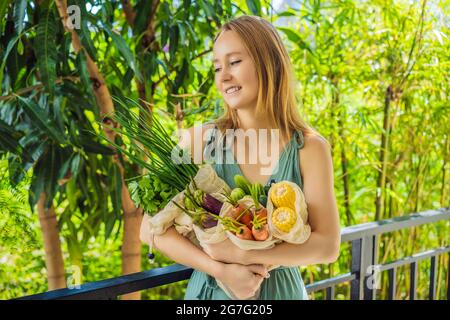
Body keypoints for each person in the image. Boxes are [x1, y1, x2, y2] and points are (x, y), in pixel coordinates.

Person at [140, 15, 340, 300]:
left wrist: (242, 256)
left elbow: (327, 245)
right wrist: (220, 269)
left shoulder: (309, 148)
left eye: (234, 63)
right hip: (210, 293)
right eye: (218, 67)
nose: (223, 77)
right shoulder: (199, 140)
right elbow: (149, 229)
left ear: (268, 63)